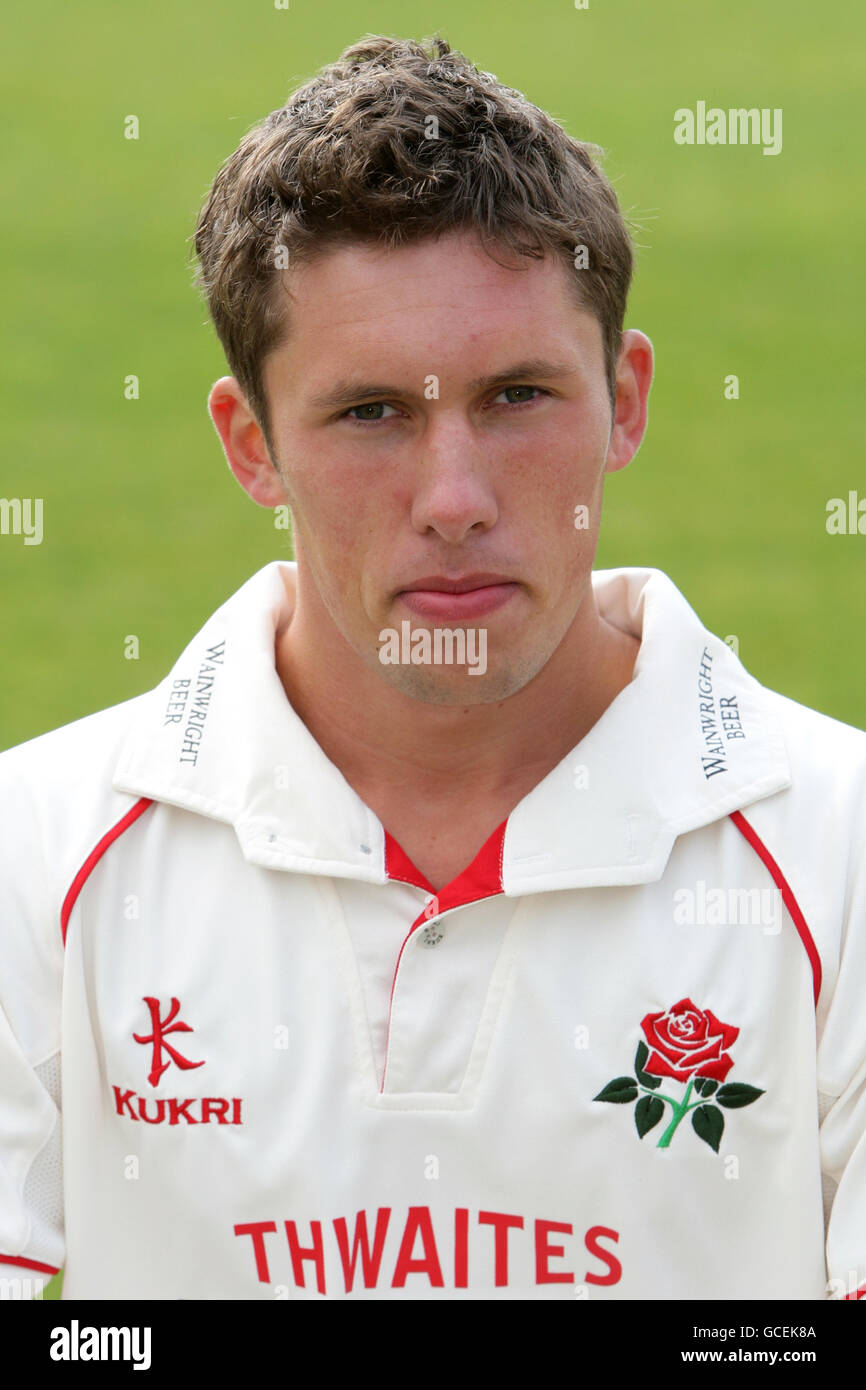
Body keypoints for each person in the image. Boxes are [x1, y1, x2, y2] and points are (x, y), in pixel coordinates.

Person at [1, 32, 864, 1302]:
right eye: (370, 415)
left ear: (624, 402)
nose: (453, 499)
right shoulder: (34, 859)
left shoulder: (838, 850)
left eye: (516, 397)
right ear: (250, 445)